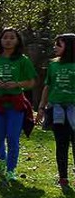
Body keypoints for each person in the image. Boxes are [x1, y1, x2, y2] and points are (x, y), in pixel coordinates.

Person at [0, 28, 37, 182]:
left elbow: (31, 81)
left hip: (16, 103)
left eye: (12, 38)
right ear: (0, 40)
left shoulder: (23, 60)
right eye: (5, 37)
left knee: (13, 137)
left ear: (17, 41)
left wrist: (17, 84)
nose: (8, 40)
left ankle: (11, 170)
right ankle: (2, 158)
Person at [36, 34, 75, 189]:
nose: (54, 47)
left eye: (58, 45)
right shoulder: (53, 65)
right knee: (61, 144)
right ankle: (63, 177)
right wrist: (41, 107)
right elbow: (47, 86)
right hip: (57, 109)